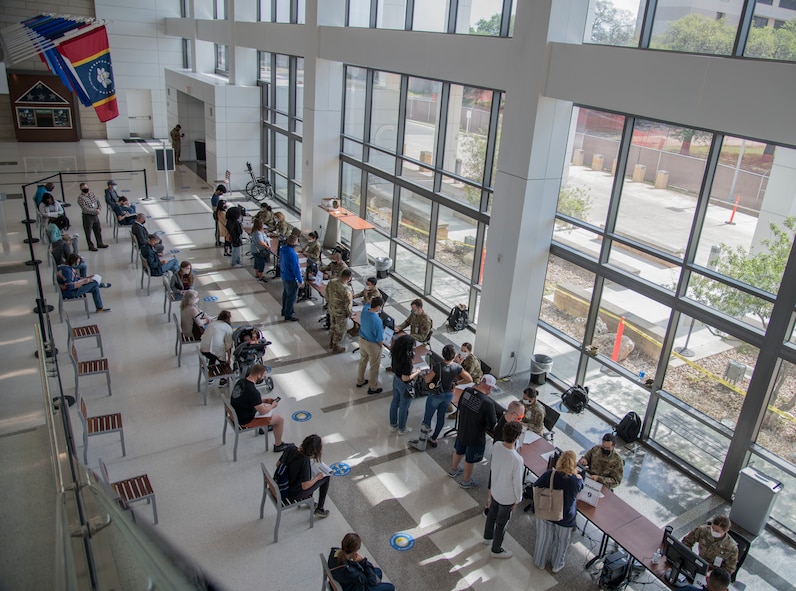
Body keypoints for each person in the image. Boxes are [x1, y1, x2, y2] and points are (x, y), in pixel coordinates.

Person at [411, 344, 472, 451]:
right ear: (453, 356)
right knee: (441, 416)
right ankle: (434, 438)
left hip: (436, 395)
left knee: (428, 417)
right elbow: (469, 379)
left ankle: (422, 442)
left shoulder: (438, 366)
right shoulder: (457, 367)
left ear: (443, 355)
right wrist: (456, 383)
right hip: (448, 395)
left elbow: (427, 380)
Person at [533, 450, 584, 572]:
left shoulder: (550, 474)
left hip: (547, 511)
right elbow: (580, 491)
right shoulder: (576, 480)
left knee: (543, 539)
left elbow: (536, 485)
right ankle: (557, 565)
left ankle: (539, 562)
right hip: (565, 517)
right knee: (561, 542)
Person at [483, 421, 524, 559]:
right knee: (501, 523)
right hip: (507, 497)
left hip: (495, 489)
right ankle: (496, 549)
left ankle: (487, 537)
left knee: (491, 515)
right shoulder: (517, 459)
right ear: (517, 437)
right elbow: (517, 483)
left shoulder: (496, 445)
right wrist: (518, 499)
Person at [449, 375, 498, 488]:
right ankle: (466, 481)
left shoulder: (467, 391)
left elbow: (460, 405)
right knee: (469, 459)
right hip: (475, 436)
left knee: (459, 450)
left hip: (462, 429)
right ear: (489, 387)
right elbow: (492, 424)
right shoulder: (488, 403)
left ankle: (454, 469)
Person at [230, 364, 290, 452]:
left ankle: (263, 427)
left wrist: (265, 400)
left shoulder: (241, 381)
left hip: (238, 413)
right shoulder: (253, 391)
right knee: (279, 420)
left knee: (264, 406)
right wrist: (273, 405)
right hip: (245, 420)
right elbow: (263, 411)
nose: (263, 378)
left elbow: (248, 399)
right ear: (258, 375)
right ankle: (278, 445)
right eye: (263, 376)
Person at [276, 434, 331, 518]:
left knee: (309, 477)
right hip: (292, 493)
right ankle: (320, 509)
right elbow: (305, 486)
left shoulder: (291, 448)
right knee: (326, 478)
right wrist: (317, 477)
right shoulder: (304, 461)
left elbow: (278, 464)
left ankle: (308, 499)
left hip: (281, 485)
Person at [327, 533, 395, 591]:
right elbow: (371, 580)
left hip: (344, 580)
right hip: (352, 587)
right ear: (355, 551)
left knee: (378, 571)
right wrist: (363, 561)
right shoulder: (350, 571)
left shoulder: (334, 552)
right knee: (391, 587)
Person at [389, 334, 421, 435]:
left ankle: (393, 423)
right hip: (405, 385)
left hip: (396, 380)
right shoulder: (406, 360)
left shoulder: (395, 352)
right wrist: (416, 372)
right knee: (404, 407)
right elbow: (405, 378)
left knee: (395, 402)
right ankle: (402, 429)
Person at [356, 296, 385, 395]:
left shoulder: (364, 310)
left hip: (362, 340)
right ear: (378, 307)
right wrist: (381, 347)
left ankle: (360, 381)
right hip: (372, 345)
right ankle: (372, 387)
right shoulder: (377, 320)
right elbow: (379, 339)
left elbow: (367, 303)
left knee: (363, 361)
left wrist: (371, 300)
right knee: (374, 366)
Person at [200, 310, 234, 383]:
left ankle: (210, 379)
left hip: (203, 349)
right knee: (222, 360)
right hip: (214, 350)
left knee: (213, 356)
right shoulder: (228, 328)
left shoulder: (212, 323)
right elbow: (229, 346)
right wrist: (228, 360)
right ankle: (223, 380)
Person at [326, 269, 354, 354]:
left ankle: (331, 341)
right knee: (340, 329)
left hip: (331, 308)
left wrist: (329, 303)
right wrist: (350, 314)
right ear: (349, 278)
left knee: (333, 325)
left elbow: (326, 294)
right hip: (341, 313)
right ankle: (335, 345)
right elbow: (348, 304)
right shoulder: (346, 289)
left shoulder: (332, 282)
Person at [77, 182, 107, 251]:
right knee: (88, 232)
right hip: (87, 216)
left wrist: (99, 208)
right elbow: (85, 208)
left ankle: (100, 243)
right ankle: (90, 246)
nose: (86, 189)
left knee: (98, 229)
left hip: (95, 215)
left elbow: (98, 201)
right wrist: (95, 211)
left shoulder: (92, 194)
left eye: (86, 187)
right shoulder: (80, 198)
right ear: (81, 189)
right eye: (84, 188)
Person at [280, 233, 303, 322]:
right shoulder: (292, 254)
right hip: (290, 277)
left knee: (286, 294)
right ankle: (288, 315)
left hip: (284, 275)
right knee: (291, 296)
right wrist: (300, 280)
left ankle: (284, 310)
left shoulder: (283, 249)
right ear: (294, 242)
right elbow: (296, 268)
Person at [249, 218, 271, 283]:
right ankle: (261, 277)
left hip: (254, 250)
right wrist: (267, 246)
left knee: (256, 262)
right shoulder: (258, 233)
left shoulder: (255, 231)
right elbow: (261, 242)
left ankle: (257, 274)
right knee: (261, 264)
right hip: (258, 251)